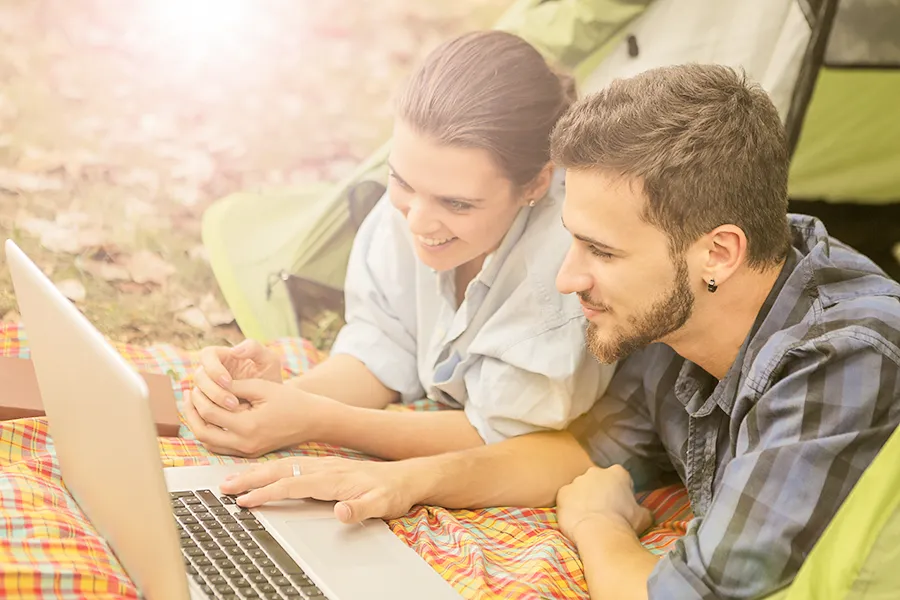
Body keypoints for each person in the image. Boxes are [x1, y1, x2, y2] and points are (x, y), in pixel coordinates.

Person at [219, 64, 900, 599]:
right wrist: (404, 482)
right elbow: (586, 453)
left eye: (601, 252)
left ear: (718, 252)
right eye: (572, 243)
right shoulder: (685, 312)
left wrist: (599, 526)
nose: (567, 279)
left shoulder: (838, 361)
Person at [184, 31, 614, 460]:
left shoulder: (565, 276)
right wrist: (276, 397)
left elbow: (499, 436)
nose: (418, 221)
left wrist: (316, 419)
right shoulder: (409, 208)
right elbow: (385, 347)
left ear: (537, 182)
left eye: (457, 203)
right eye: (402, 182)